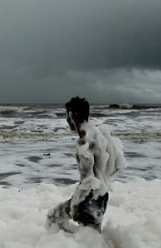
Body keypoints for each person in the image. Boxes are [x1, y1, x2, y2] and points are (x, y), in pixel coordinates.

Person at [47, 97, 125, 232]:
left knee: (53, 217)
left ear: (71, 115)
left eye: (67, 116)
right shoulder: (100, 134)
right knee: (92, 238)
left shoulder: (84, 143)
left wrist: (76, 204)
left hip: (88, 199)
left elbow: (87, 181)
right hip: (102, 195)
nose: (67, 121)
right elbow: (118, 163)